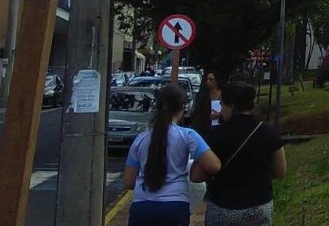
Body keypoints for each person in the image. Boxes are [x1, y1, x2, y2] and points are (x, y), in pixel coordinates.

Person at [122, 84, 222, 226]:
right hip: (174, 206)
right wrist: (195, 165)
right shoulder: (188, 136)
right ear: (183, 108)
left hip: (142, 207)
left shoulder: (140, 139)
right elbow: (214, 165)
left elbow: (129, 182)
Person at [203, 81, 287, 225]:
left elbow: (203, 172)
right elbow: (280, 172)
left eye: (222, 105)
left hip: (223, 205)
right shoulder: (268, 132)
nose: (221, 110)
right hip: (259, 204)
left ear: (231, 106)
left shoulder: (216, 135)